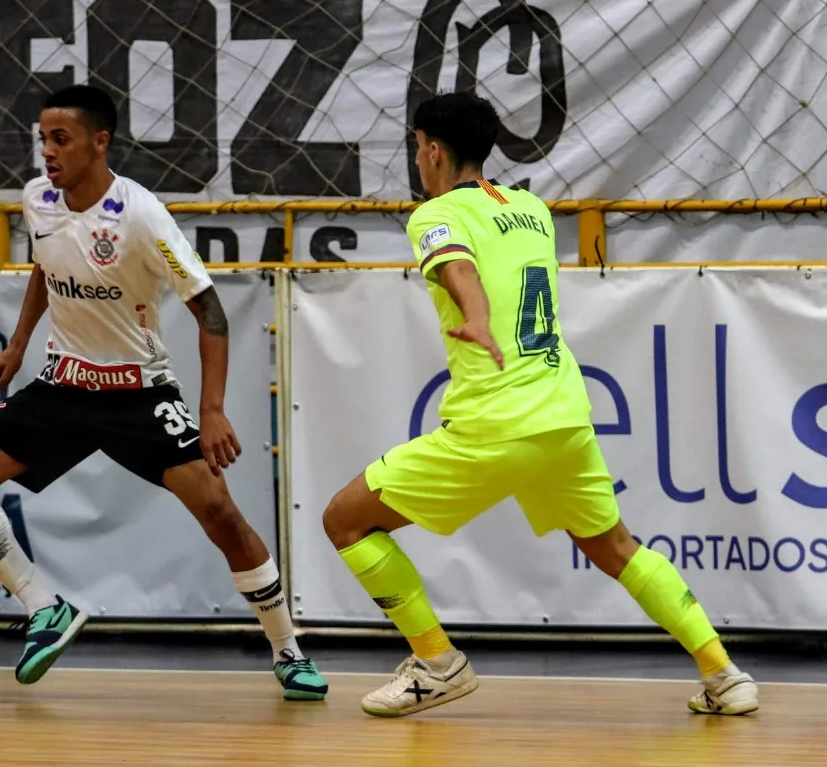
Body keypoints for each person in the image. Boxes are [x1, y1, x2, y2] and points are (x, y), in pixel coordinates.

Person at [320, 90, 759, 718]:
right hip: (564, 414)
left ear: (434, 151)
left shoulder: (434, 215)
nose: (418, 162)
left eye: (417, 149)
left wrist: (475, 319)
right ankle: (726, 675)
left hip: (494, 423)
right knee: (617, 549)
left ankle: (438, 664)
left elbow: (460, 271)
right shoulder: (529, 208)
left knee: (345, 520)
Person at [0, 84, 327, 701]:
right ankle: (45, 610)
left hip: (138, 392)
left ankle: (288, 651)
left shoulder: (140, 216)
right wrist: (17, 345)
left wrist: (212, 409)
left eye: (61, 139)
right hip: (64, 385)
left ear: (100, 141)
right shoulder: (38, 200)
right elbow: (45, 266)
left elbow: (212, 313)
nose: (49, 153)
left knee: (220, 511)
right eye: (43, 139)